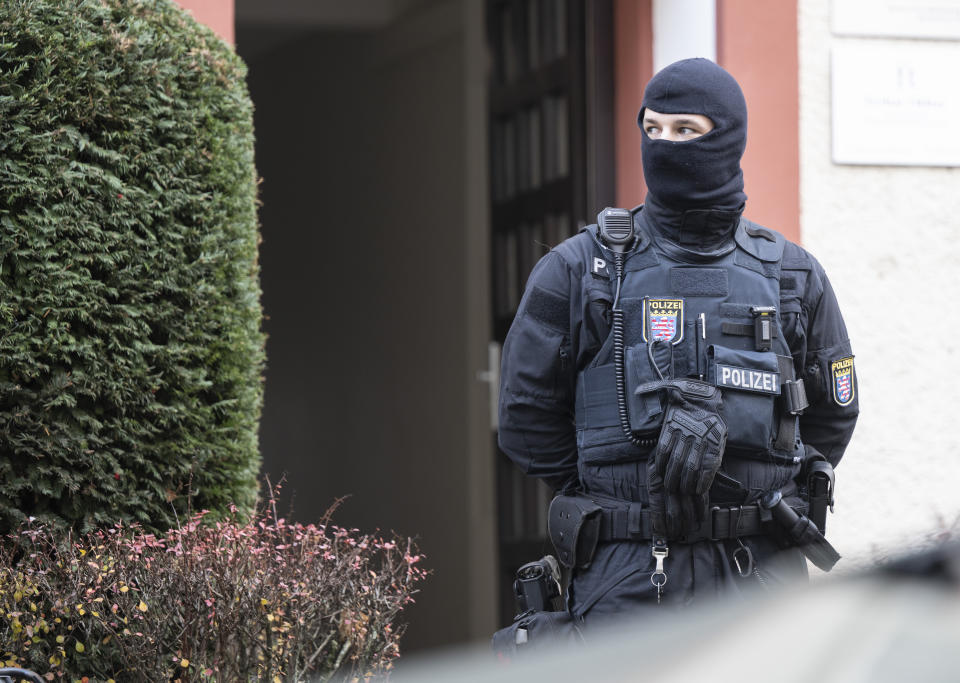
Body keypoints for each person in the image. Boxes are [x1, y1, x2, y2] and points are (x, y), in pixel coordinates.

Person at [497, 58, 859, 625]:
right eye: (652, 128)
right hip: (627, 576)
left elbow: (834, 415)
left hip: (762, 576)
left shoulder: (792, 274)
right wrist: (623, 494)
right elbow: (525, 420)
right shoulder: (576, 270)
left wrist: (760, 481)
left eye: (685, 129)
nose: (664, 144)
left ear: (728, 137)